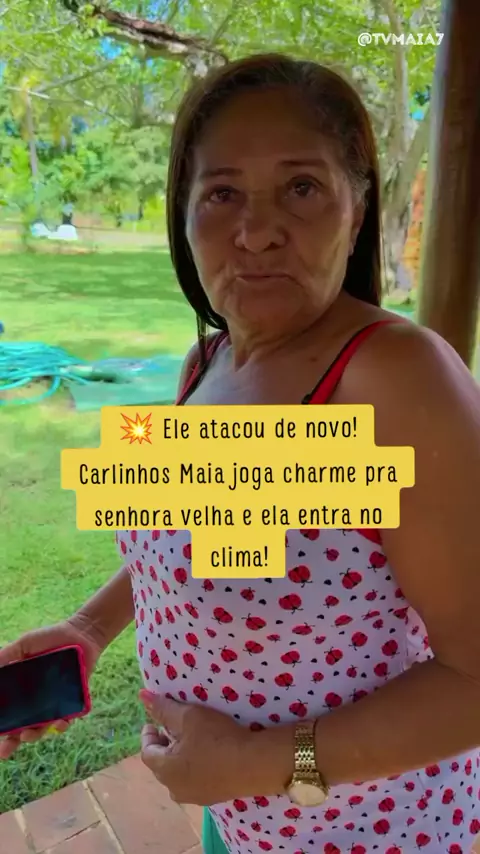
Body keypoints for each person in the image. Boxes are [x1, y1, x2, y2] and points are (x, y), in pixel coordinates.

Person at [2, 53, 480, 854]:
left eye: (302, 187)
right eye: (222, 194)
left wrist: (260, 762)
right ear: (184, 216)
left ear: (358, 208)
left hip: (375, 831)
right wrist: (88, 627)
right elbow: (210, 540)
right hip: (237, 818)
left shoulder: (397, 379)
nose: (257, 233)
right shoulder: (208, 364)